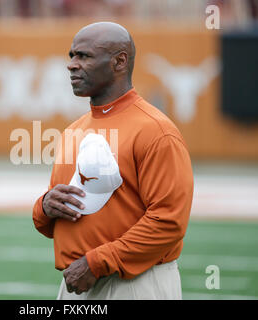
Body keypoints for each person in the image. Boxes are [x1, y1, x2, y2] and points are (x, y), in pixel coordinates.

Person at [32, 22, 193, 300]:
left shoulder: (156, 130)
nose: (72, 65)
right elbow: (65, 214)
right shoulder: (74, 131)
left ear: (120, 62)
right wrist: (45, 207)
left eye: (84, 56)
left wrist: (97, 262)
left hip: (136, 281)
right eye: (72, 56)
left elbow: (169, 221)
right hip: (79, 280)